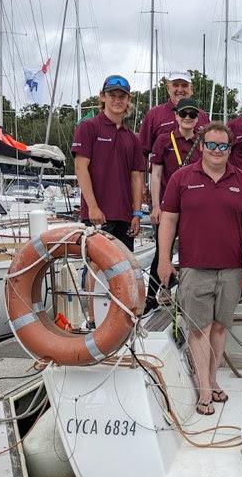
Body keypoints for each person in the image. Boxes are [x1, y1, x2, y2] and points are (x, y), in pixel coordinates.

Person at [158, 122, 242, 415]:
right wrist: (165, 259)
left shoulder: (241, 180)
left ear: (230, 149)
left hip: (230, 268)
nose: (218, 151)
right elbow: (168, 220)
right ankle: (205, 389)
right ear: (202, 146)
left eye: (224, 146)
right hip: (193, 267)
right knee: (199, 329)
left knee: (219, 328)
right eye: (212, 145)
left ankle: (213, 378)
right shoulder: (181, 178)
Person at [71, 74, 145, 251]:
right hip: (98, 215)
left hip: (125, 217)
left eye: (122, 96)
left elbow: (136, 178)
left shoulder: (133, 139)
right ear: (103, 97)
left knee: (124, 271)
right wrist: (93, 207)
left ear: (128, 100)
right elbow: (81, 168)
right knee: (94, 270)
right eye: (112, 95)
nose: (117, 100)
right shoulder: (89, 127)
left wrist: (137, 214)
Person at [145, 97, 204, 311]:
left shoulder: (202, 141)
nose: (188, 118)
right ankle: (154, 295)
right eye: (184, 114)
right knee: (163, 250)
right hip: (168, 206)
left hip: (193, 207)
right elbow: (156, 173)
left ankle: (186, 295)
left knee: (190, 250)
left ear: (197, 118)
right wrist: (155, 206)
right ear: (176, 115)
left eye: (192, 114)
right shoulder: (163, 140)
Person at [138, 70, 210, 159]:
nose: (180, 90)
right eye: (175, 85)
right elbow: (141, 152)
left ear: (191, 90)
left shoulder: (202, 115)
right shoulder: (154, 115)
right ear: (168, 88)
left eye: (184, 85)